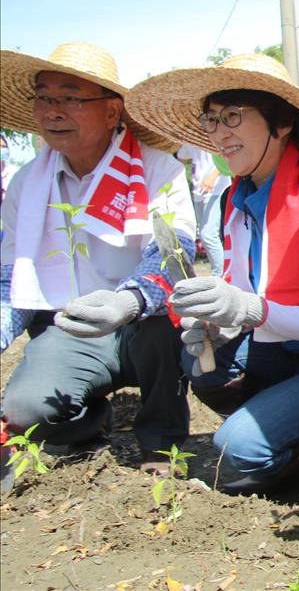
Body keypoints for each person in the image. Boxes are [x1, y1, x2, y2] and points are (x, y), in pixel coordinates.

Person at [125, 53, 299, 494]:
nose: (220, 134)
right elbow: (241, 286)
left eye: (234, 117)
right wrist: (217, 321)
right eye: (212, 120)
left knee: (237, 452)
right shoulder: (235, 198)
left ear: (281, 124)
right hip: (290, 351)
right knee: (202, 363)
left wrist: (246, 308)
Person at [0, 42, 196, 482]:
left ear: (112, 112)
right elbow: (12, 280)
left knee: (166, 315)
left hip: (141, 325)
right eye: (44, 98)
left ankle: (161, 437)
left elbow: (172, 257)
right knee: (25, 409)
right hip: (72, 327)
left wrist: (127, 302)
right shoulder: (27, 186)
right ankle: (90, 420)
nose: (52, 111)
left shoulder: (158, 170)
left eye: (70, 97)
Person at [176, 144, 230, 276]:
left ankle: (221, 275)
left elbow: (225, 158)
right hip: (198, 190)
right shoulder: (190, 139)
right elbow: (180, 158)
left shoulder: (211, 136)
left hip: (216, 189)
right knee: (203, 236)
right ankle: (219, 272)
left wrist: (212, 178)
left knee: (208, 234)